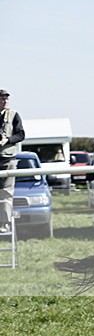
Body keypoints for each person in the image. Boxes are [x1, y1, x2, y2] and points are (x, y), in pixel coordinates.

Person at [0, 89, 25, 233]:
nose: (5, 102)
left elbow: (21, 134)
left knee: (6, 193)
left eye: (6, 99)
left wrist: (7, 140)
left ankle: (4, 223)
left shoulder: (14, 115)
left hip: (7, 159)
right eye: (2, 99)